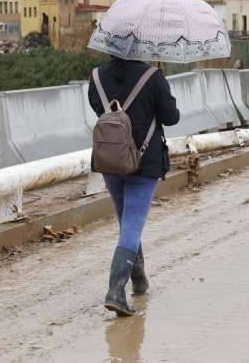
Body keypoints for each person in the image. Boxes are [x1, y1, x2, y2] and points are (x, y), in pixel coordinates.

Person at [88, 57, 180, 317]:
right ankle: (115, 292)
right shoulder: (153, 76)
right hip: (143, 162)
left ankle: (139, 279)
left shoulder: (96, 76)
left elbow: (101, 111)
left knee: (127, 222)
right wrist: (160, 83)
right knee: (132, 224)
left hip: (110, 160)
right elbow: (171, 118)